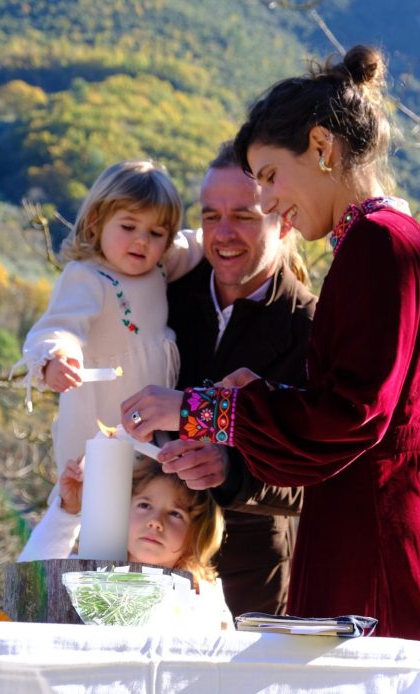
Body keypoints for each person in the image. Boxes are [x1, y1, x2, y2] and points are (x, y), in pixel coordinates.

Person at [119, 45, 420, 690]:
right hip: (369, 523)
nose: (271, 201)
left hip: (371, 536)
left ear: (322, 147)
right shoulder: (389, 239)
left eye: (271, 177)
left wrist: (200, 407)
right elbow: (360, 401)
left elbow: (351, 416)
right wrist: (267, 394)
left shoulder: (377, 245)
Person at [164, 141, 317, 616]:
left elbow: (321, 477)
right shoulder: (166, 298)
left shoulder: (313, 328)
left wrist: (233, 471)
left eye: (244, 216)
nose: (223, 233)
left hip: (250, 579)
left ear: (284, 221)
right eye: (211, 216)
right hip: (147, 560)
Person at [13, 160, 202, 490]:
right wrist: (57, 358)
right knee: (91, 500)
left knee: (142, 502)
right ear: (96, 222)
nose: (142, 241)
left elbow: (200, 243)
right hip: (98, 420)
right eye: (128, 227)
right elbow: (58, 327)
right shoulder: (88, 277)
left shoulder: (160, 265)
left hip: (148, 426)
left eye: (156, 233)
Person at [18, 455, 232, 629]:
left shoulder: (204, 599)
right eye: (144, 505)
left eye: (176, 514)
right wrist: (68, 510)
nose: (155, 522)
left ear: (198, 532)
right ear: (122, 509)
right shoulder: (85, 575)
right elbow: (28, 588)